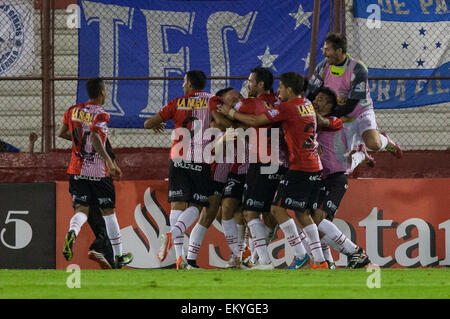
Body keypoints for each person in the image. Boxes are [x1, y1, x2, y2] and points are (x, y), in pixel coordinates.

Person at [220, 72, 327, 269]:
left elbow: (248, 121)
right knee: (286, 213)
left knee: (252, 212)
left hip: (275, 163)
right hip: (292, 163)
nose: (279, 91)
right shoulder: (300, 104)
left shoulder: (270, 106)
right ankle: (318, 260)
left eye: (251, 81)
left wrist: (230, 112)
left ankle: (269, 261)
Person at [144, 70, 226, 269]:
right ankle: (174, 234)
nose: (182, 85)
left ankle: (180, 258)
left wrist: (158, 123)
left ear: (189, 83)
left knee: (177, 206)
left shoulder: (176, 102)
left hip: (178, 158)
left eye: (183, 82)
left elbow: (148, 123)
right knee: (197, 206)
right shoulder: (212, 101)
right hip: (200, 159)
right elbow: (222, 122)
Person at [57, 77, 133, 269]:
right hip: (98, 172)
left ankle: (72, 232)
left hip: (76, 170)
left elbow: (62, 133)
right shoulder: (101, 114)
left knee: (82, 210)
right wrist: (110, 163)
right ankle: (118, 256)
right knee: (108, 213)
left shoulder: (73, 110)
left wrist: (78, 142)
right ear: (102, 92)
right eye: (105, 90)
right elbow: (96, 138)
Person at [307, 32, 402, 166]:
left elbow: (351, 106)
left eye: (327, 49)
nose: (324, 53)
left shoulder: (358, 69)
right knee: (342, 164)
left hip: (360, 112)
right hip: (340, 114)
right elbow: (312, 93)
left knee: (374, 144)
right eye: (324, 49)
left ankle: (385, 141)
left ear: (339, 50)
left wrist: (328, 119)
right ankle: (361, 155)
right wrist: (305, 109)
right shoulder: (323, 67)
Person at [313, 87, 371, 269]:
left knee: (318, 220)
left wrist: (301, 108)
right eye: (315, 98)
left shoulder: (333, 120)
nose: (316, 101)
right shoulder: (314, 125)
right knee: (316, 224)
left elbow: (320, 120)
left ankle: (355, 252)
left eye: (320, 99)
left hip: (335, 178)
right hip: (320, 177)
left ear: (330, 105)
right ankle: (328, 261)